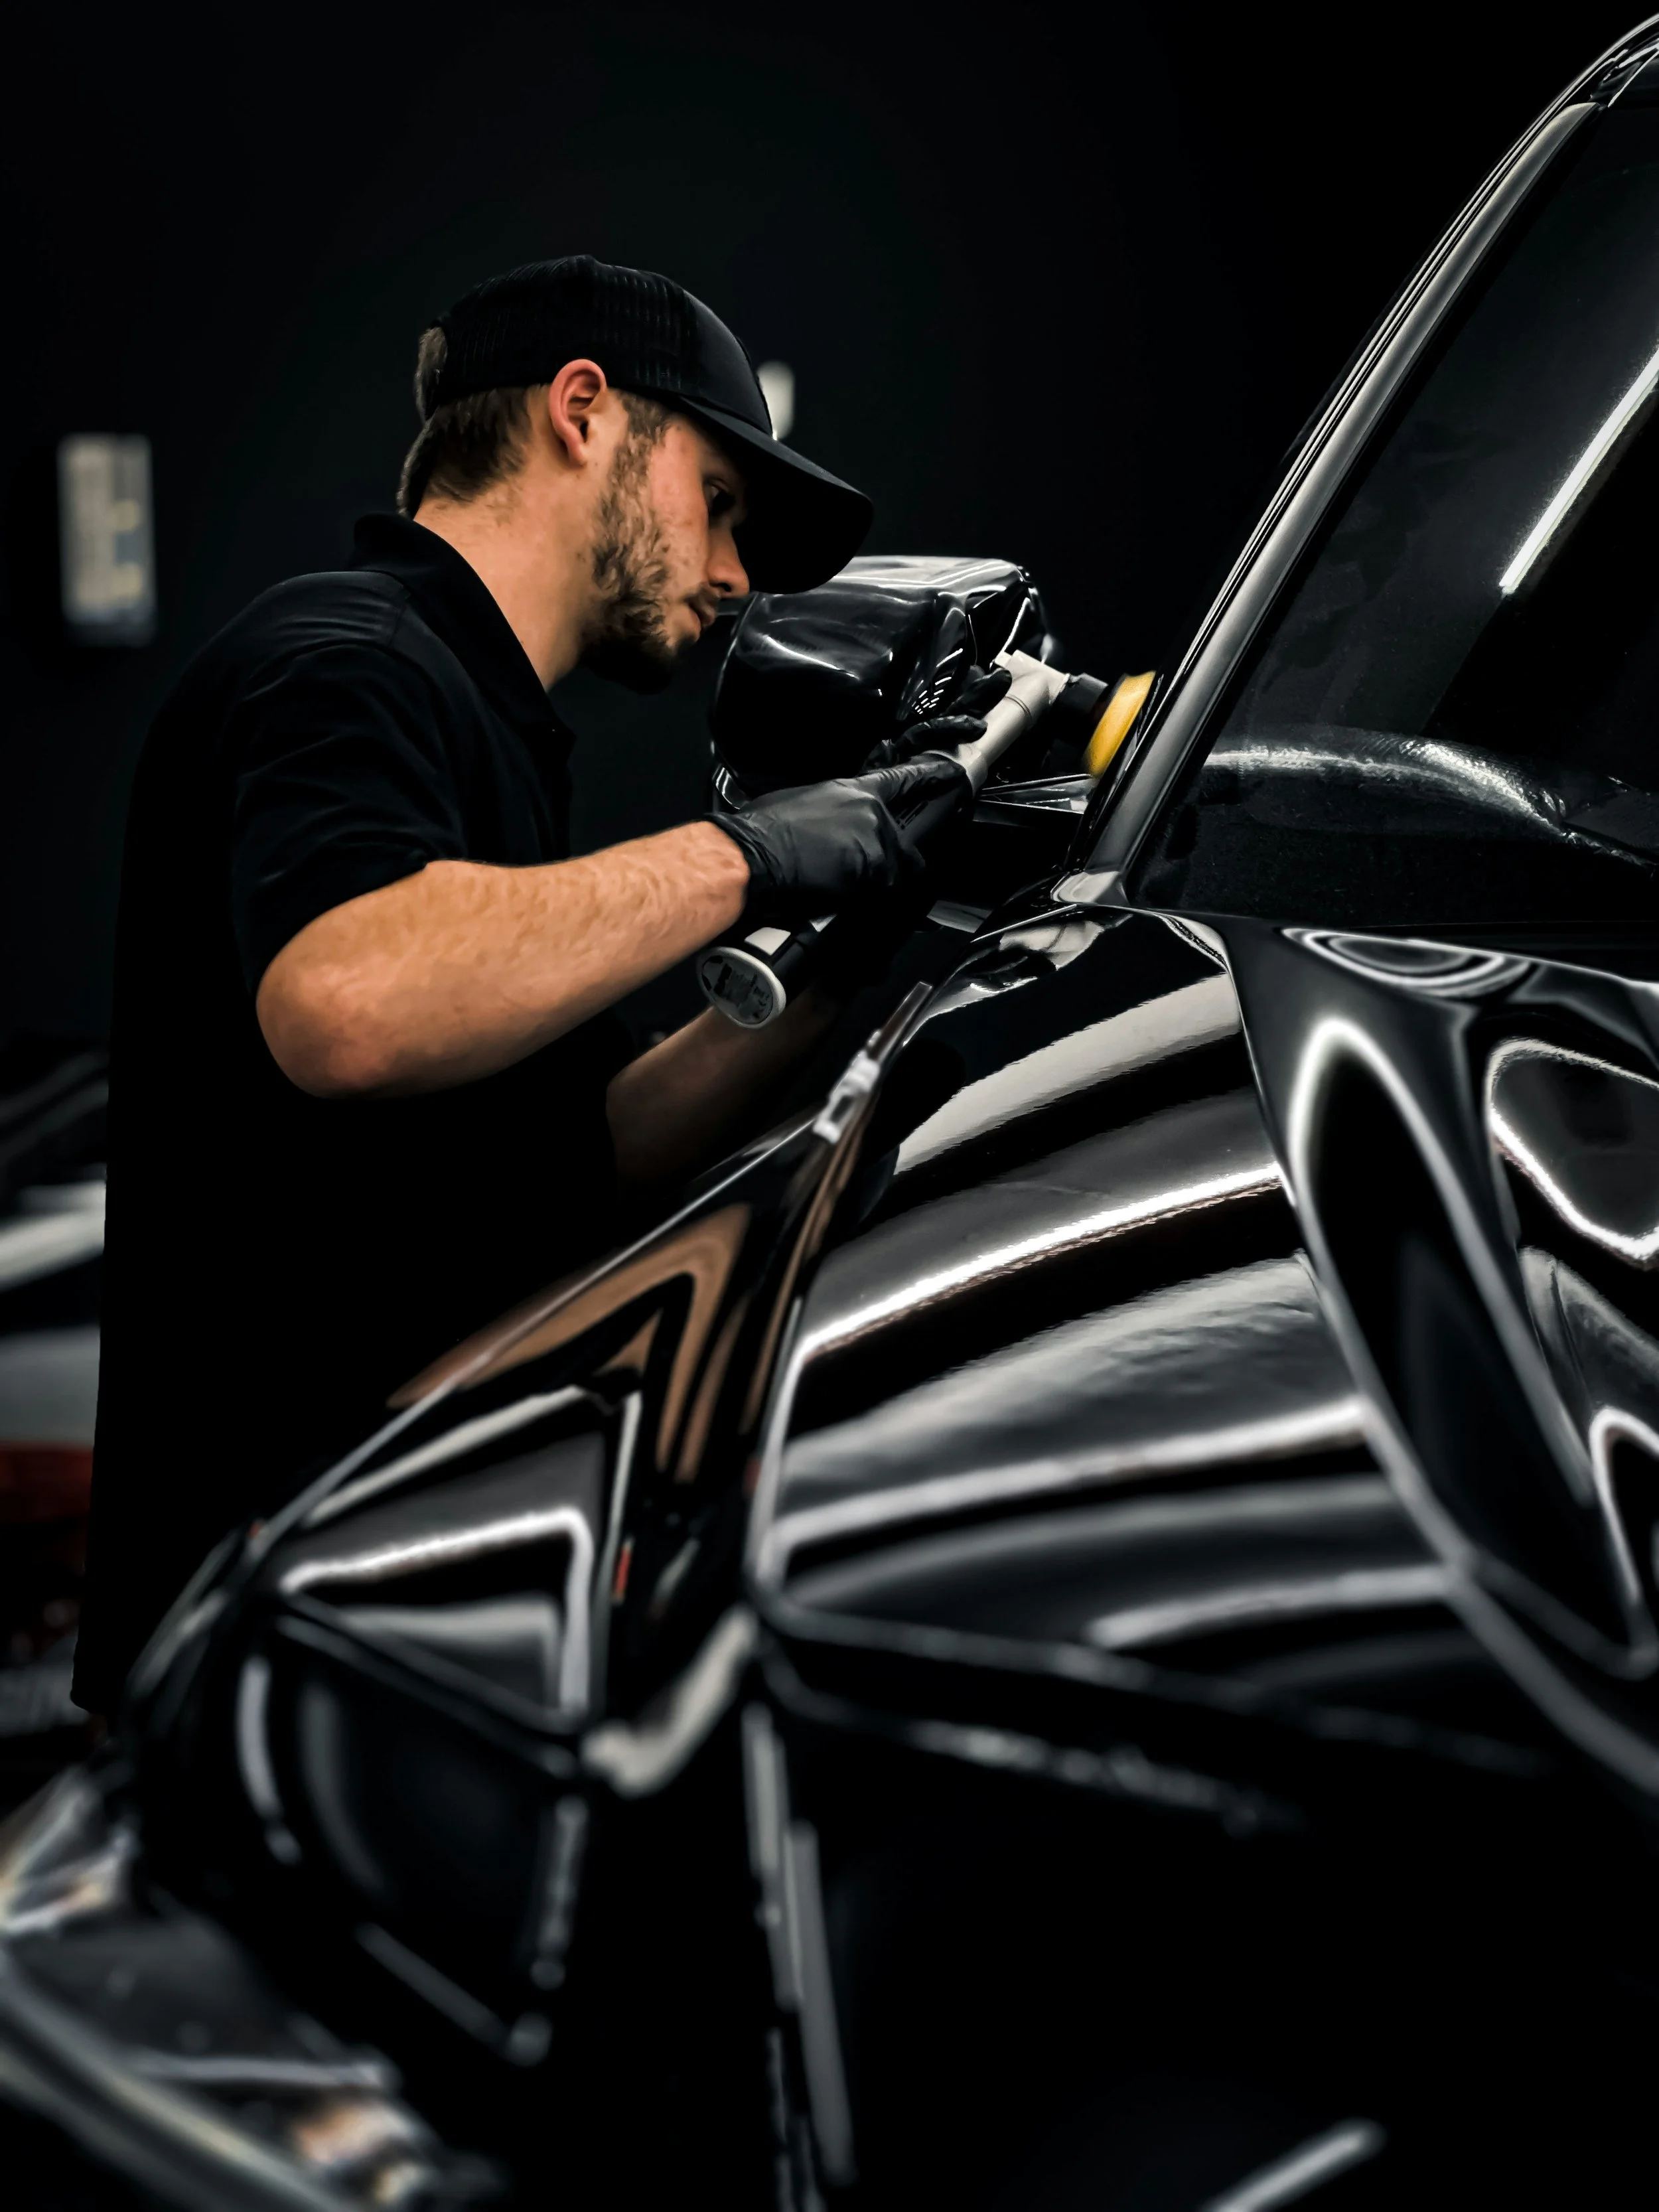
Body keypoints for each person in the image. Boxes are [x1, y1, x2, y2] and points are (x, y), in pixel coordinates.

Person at [74, 255, 990, 1713]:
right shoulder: (348, 659)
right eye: (720, 500)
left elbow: (600, 1143)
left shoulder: (485, 727)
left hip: (401, 1612)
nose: (737, 574)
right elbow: (350, 1000)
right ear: (584, 412)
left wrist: (854, 958)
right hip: (259, 1647)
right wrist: (749, 855)